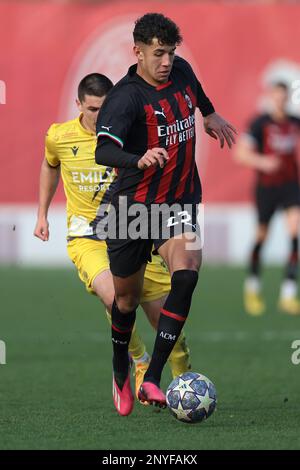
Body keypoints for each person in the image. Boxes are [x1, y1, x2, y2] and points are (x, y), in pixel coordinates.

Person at [95, 13, 236, 416]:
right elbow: (103, 151)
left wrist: (210, 115)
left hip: (178, 203)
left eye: (171, 53)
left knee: (187, 273)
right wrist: (138, 159)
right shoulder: (125, 98)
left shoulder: (182, 72)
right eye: (158, 53)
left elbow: (198, 97)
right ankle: (121, 368)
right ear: (137, 52)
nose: (166, 61)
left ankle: (153, 376)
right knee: (126, 301)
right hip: (130, 209)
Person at [33, 73, 192, 406]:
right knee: (114, 298)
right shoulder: (59, 136)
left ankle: (182, 378)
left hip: (133, 228)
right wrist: (42, 213)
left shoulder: (133, 132)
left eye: (105, 108)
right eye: (92, 109)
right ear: (79, 105)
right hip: (88, 237)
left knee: (163, 316)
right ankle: (139, 361)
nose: (99, 115)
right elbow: (50, 165)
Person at [235, 81, 300, 316]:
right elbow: (240, 154)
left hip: (291, 186)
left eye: (284, 97)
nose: (281, 101)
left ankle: (288, 294)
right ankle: (252, 286)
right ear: (271, 98)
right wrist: (263, 162)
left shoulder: (294, 122)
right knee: (262, 236)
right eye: (277, 97)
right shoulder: (259, 123)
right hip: (267, 187)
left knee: (295, 235)